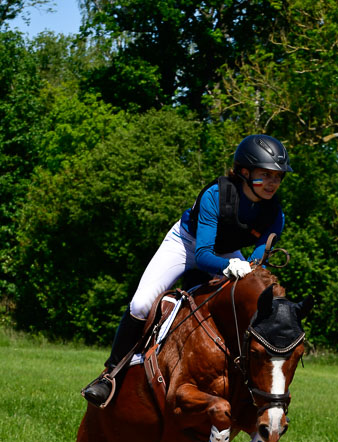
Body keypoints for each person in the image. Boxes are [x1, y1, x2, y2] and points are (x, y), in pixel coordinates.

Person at [82, 133, 293, 407]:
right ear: (244, 171)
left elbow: (256, 263)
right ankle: (110, 375)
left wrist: (249, 268)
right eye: (265, 175)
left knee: (249, 300)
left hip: (228, 254)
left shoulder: (276, 214)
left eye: (277, 176)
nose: (273, 182)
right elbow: (203, 255)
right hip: (187, 243)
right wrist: (230, 266)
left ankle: (248, 386)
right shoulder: (216, 195)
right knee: (141, 303)